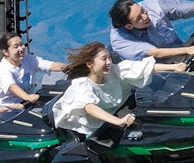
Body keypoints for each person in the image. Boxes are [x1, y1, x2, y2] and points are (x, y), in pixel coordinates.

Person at [52, 41, 186, 139]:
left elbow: (142, 68)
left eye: (109, 57)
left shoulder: (114, 71)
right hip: (96, 129)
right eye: (104, 59)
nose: (109, 62)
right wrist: (118, 121)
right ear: (89, 64)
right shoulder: (82, 85)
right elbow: (90, 107)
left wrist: (174, 68)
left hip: (120, 113)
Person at [109, 0, 194, 62]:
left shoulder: (154, 7)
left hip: (179, 54)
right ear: (129, 26)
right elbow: (155, 53)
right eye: (139, 18)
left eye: (142, 10)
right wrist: (187, 50)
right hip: (153, 69)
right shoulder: (120, 40)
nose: (145, 16)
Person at [0, 33, 66, 107]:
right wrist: (27, 96)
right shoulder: (3, 67)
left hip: (27, 105)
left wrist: (70, 67)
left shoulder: (28, 59)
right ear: (6, 52)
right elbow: (11, 86)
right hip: (5, 110)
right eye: (16, 47)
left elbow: (48, 65)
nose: (21, 48)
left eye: (21, 44)